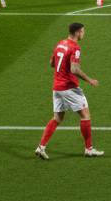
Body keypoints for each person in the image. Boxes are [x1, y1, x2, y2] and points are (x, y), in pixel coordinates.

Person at [35, 22, 103, 159]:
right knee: (85, 115)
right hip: (69, 87)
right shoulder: (75, 47)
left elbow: (52, 63)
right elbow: (74, 69)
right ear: (77, 33)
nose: (83, 34)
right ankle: (89, 149)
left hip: (57, 87)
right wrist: (90, 80)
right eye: (82, 32)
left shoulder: (60, 44)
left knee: (57, 118)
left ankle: (41, 147)